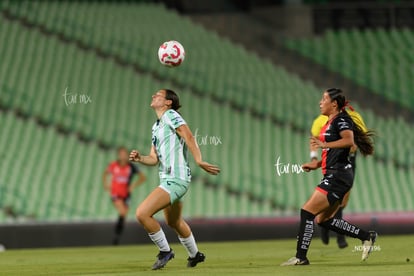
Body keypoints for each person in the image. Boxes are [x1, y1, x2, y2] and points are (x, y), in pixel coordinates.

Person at [281, 88, 376, 266]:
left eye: (324, 99)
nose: (320, 102)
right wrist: (315, 164)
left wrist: (324, 143)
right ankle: (366, 236)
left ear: (334, 104)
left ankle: (301, 257)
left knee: (307, 212)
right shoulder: (329, 122)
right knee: (323, 220)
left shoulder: (342, 120)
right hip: (337, 174)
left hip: (338, 176)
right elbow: (333, 153)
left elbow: (349, 141)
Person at [129, 89, 220, 270]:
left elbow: (188, 135)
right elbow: (154, 159)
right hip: (169, 179)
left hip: (176, 179)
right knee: (174, 222)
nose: (153, 96)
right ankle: (195, 255)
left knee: (142, 213)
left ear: (168, 102)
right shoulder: (156, 126)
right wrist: (141, 158)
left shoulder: (171, 115)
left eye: (158, 95)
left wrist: (199, 160)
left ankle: (165, 251)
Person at [310, 105, 368, 248]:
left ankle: (325, 225)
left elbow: (360, 137)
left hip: (348, 161)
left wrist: (352, 145)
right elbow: (314, 139)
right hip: (330, 161)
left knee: (342, 201)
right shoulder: (321, 120)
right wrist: (314, 159)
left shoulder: (354, 117)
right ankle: (338, 235)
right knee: (333, 197)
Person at [103, 146, 146, 245]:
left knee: (123, 216)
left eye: (124, 154)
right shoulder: (113, 165)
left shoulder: (131, 167)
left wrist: (133, 186)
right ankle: (116, 237)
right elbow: (105, 173)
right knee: (122, 212)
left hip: (126, 194)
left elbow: (143, 177)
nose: (123, 156)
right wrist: (105, 184)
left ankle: (117, 236)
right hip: (115, 193)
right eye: (121, 154)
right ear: (119, 155)